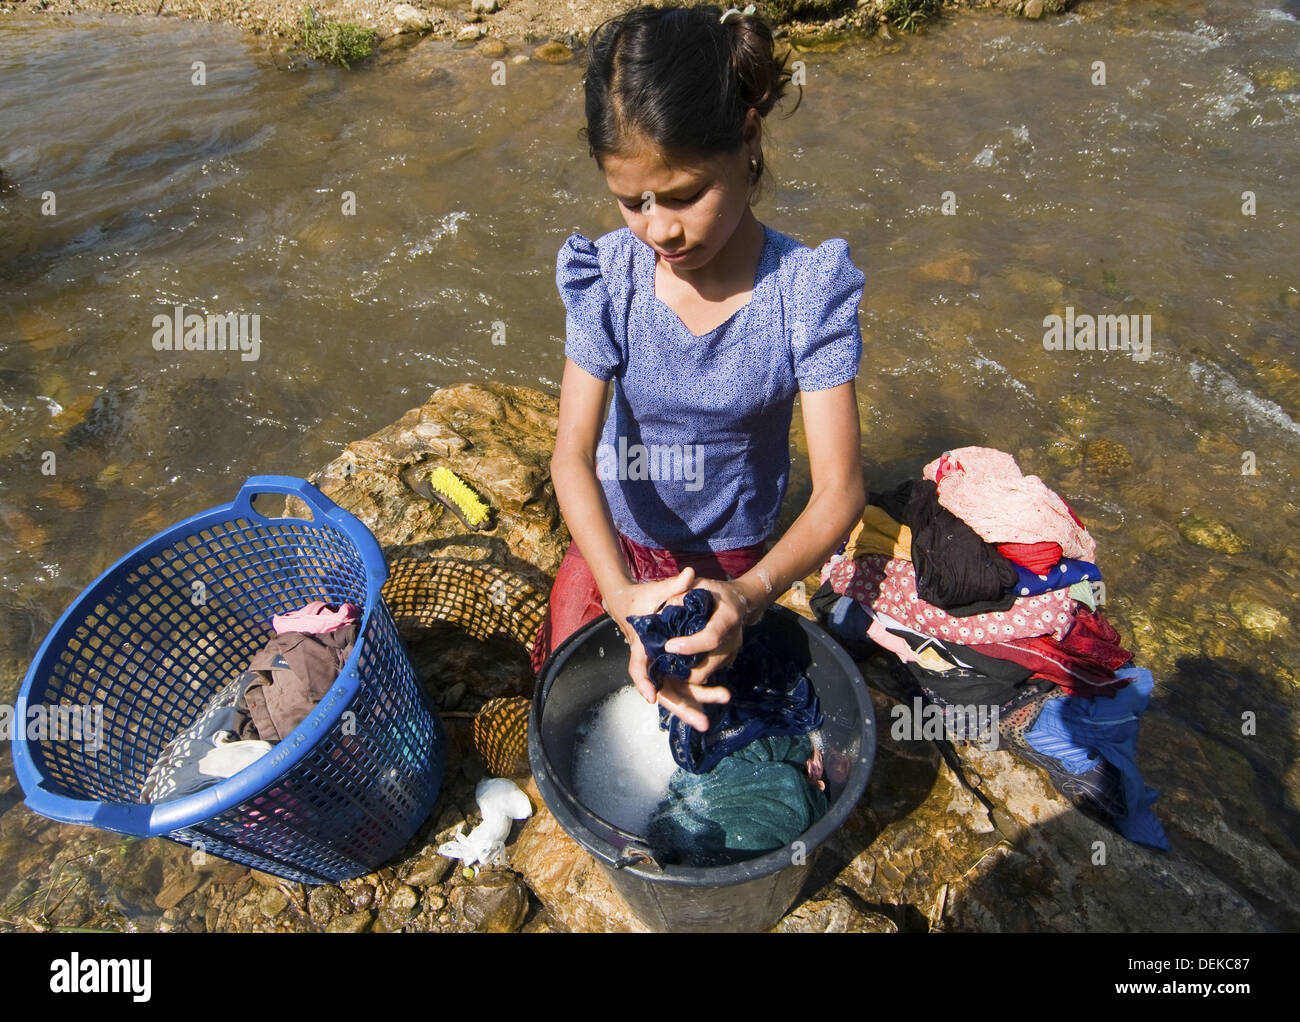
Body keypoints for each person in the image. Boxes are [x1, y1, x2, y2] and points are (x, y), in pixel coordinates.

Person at [531, 2, 867, 733]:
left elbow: (840, 488)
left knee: (711, 712)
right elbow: (571, 456)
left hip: (736, 558)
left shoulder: (806, 293)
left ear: (748, 141)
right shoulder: (609, 277)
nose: (661, 230)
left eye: (685, 196)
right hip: (616, 545)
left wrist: (748, 596)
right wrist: (618, 594)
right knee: (580, 702)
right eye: (633, 203)